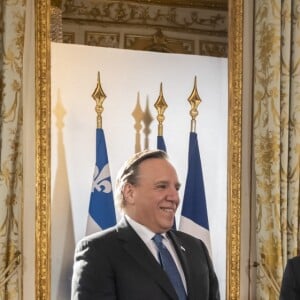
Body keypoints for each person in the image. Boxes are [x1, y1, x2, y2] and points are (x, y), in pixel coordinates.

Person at [71, 149, 220, 300]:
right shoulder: (99, 251)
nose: (174, 197)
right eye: (162, 186)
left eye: (176, 188)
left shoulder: (196, 248)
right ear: (130, 193)